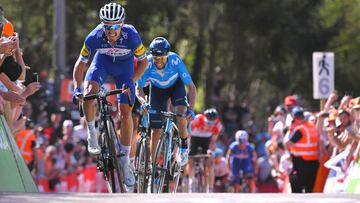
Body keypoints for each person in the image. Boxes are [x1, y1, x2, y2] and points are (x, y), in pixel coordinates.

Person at [72, 2, 148, 187]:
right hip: (102, 65)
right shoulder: (94, 37)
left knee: (125, 112)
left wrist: (132, 80)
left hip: (125, 69)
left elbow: (144, 63)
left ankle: (126, 162)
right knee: (89, 94)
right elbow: (80, 64)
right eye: (107, 26)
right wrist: (76, 88)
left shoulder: (132, 35)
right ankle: (92, 132)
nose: (111, 30)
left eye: (114, 26)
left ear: (121, 24)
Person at [136, 37, 197, 167]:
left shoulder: (175, 60)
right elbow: (139, 88)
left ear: (167, 56)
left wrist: (191, 109)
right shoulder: (147, 63)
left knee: (181, 114)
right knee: (155, 130)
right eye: (156, 59)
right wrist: (142, 101)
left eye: (162, 59)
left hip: (176, 87)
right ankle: (154, 167)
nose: (158, 62)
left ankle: (184, 146)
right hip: (157, 90)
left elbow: (192, 88)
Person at [284, 106, 320, 193]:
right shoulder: (312, 126)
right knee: (309, 190)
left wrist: (290, 130)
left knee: (297, 190)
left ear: (295, 118)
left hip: (302, 163)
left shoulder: (300, 129)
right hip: (314, 162)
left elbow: (287, 144)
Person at [188, 108, 223, 192]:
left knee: (210, 162)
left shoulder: (218, 125)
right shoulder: (197, 119)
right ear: (204, 118)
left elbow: (213, 140)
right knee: (191, 157)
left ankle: (210, 187)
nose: (210, 125)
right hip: (194, 137)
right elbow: (188, 132)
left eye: (212, 123)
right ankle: (192, 180)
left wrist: (210, 151)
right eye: (208, 122)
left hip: (207, 139)